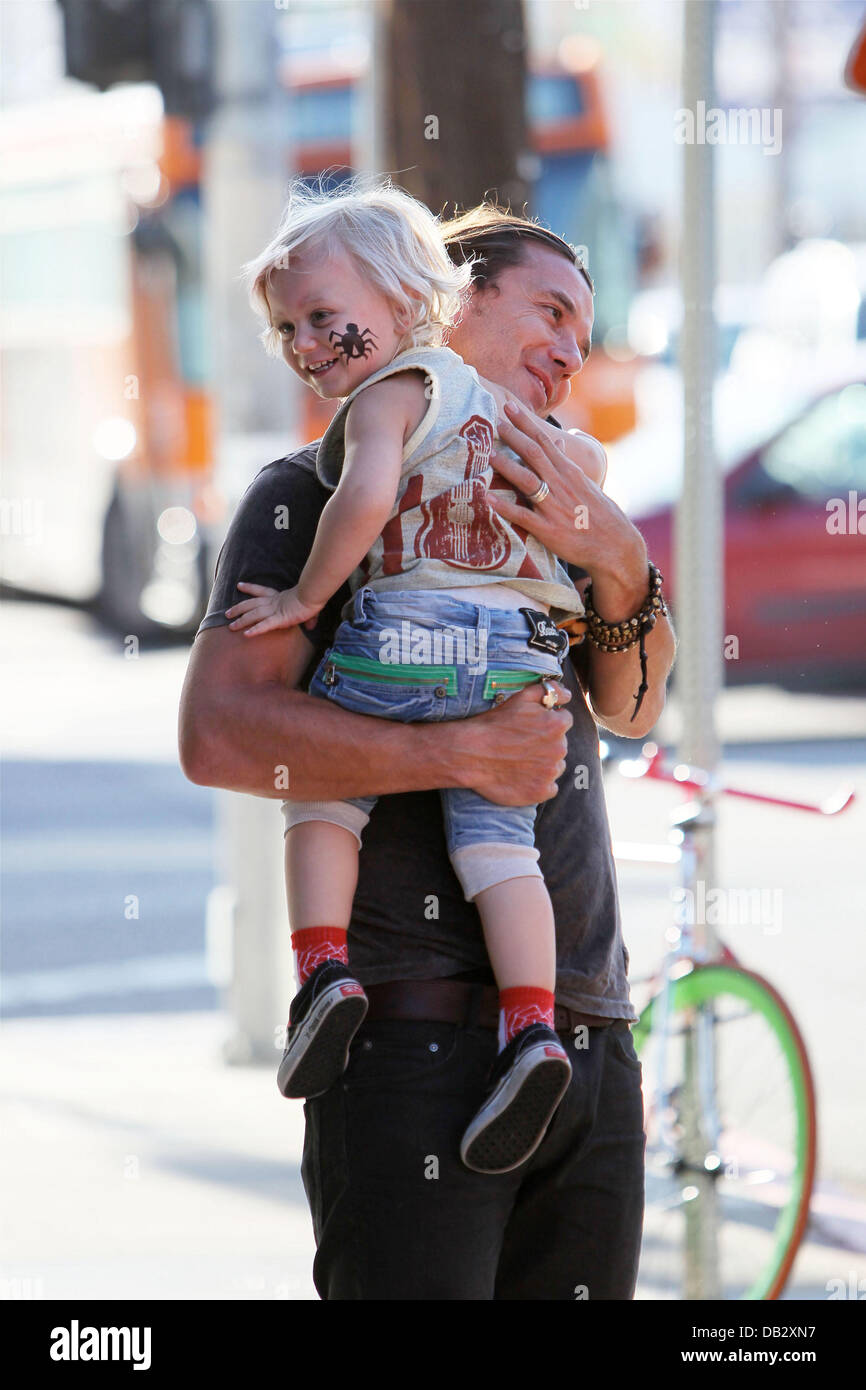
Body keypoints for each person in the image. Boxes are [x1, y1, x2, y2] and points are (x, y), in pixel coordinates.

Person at [179, 201, 677, 1299]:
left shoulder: (571, 494)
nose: (565, 351)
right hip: (413, 1047)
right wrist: (460, 753)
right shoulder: (308, 486)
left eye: (582, 335)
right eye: (547, 312)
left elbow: (633, 706)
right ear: (454, 298)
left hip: (584, 1039)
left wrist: (621, 559)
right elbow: (220, 738)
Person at [225, 179, 608, 1176]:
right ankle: (531, 1030)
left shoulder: (387, 396)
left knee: (321, 796)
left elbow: (362, 500)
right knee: (498, 850)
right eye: (287, 331)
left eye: (322, 317)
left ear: (404, 300)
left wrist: (308, 597)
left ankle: (321, 973)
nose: (307, 345)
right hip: (516, 660)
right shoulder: (534, 434)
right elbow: (592, 470)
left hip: (411, 631)